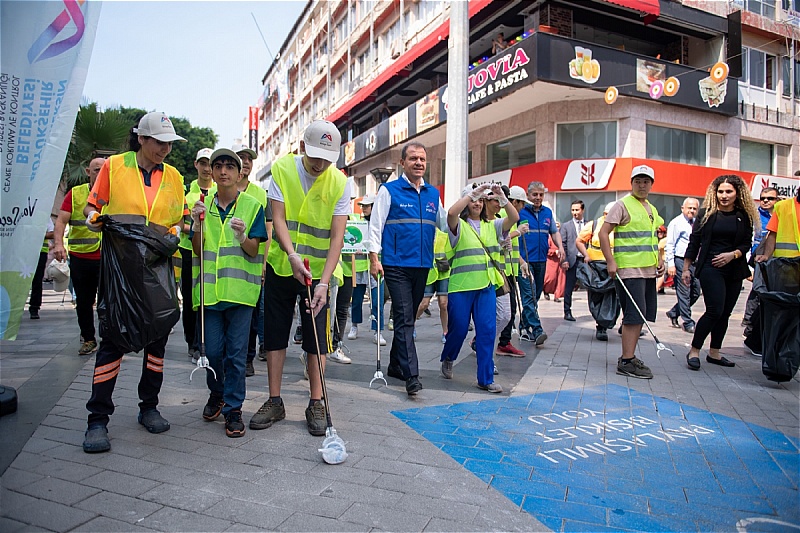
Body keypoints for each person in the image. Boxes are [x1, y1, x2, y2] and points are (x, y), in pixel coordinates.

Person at [81, 111, 188, 453]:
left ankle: (149, 407)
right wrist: (95, 220)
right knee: (112, 342)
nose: (164, 149)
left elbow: (181, 219)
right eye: (159, 142)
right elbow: (91, 208)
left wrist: (178, 230)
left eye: (169, 144)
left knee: (156, 345)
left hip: (158, 273)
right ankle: (97, 420)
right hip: (120, 275)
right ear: (141, 139)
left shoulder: (173, 176)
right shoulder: (114, 167)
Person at [249, 120, 349, 435]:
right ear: (302, 146)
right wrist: (291, 255)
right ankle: (275, 400)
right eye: (315, 155)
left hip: (319, 272)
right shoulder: (282, 169)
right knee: (276, 334)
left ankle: (316, 402)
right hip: (282, 265)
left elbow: (337, 237)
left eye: (327, 158)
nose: (320, 164)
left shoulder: (340, 183)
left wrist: (323, 282)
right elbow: (276, 217)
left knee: (317, 339)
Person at [191, 149, 267, 437]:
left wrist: (242, 237)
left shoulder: (251, 206)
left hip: (240, 294)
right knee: (212, 352)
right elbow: (197, 250)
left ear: (239, 173)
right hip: (210, 295)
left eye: (229, 167)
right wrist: (197, 224)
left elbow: (253, 249)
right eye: (218, 166)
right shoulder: (202, 206)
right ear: (211, 171)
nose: (223, 172)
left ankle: (234, 408)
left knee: (236, 355)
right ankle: (218, 392)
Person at [368, 142, 447, 395]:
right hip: (396, 264)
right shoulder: (389, 190)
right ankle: (411, 375)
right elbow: (376, 225)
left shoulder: (433, 194)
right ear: (402, 163)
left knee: (408, 317)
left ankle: (394, 364)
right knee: (403, 316)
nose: (419, 163)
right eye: (413, 158)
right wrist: (373, 257)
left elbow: (445, 224)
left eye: (422, 159)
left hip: (422, 264)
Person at [440, 184, 518, 393]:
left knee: (487, 331)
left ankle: (485, 379)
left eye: (481, 200)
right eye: (474, 200)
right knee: (459, 329)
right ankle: (449, 356)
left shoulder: (493, 225)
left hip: (486, 286)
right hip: (462, 286)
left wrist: (502, 198)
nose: (477, 203)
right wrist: (470, 194)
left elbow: (514, 217)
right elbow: (451, 212)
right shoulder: (458, 225)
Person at [683, 175, 756, 370]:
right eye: (720, 191)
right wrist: (685, 269)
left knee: (725, 313)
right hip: (710, 267)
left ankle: (714, 352)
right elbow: (694, 241)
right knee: (715, 310)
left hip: (734, 268)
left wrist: (733, 255)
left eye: (728, 191)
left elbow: (746, 242)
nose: (724, 195)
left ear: (737, 193)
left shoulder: (744, 215)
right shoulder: (706, 214)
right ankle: (694, 350)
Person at [599, 165, 664, 379]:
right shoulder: (622, 205)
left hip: (647, 271)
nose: (642, 185)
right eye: (638, 181)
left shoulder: (650, 208)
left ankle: (630, 356)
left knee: (640, 315)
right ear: (632, 183)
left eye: (646, 181)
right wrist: (610, 262)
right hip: (629, 270)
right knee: (633, 316)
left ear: (651, 184)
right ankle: (626, 360)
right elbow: (603, 233)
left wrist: (660, 260)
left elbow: (653, 237)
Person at [53, 157, 105, 354]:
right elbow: (61, 222)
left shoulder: (113, 194)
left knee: (108, 301)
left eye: (103, 170)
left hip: (106, 258)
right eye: (96, 169)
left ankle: (108, 338)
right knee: (83, 301)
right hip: (81, 258)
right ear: (87, 171)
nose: (99, 173)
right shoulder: (75, 194)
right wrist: (59, 243)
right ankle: (89, 338)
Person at [234, 144, 269, 377]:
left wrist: (264, 263)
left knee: (253, 312)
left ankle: (247, 358)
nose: (246, 162)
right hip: (226, 264)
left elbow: (268, 230)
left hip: (253, 261)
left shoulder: (259, 194)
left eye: (249, 159)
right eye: (241, 158)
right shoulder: (221, 189)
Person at [179, 148, 215, 363]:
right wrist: (195, 228)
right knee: (192, 299)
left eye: (210, 164)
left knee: (208, 297)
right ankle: (192, 343)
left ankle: (207, 341)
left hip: (212, 251)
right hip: (189, 251)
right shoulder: (187, 194)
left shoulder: (221, 191)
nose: (207, 168)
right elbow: (179, 222)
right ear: (196, 165)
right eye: (203, 163)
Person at [517, 181, 564, 346]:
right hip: (524, 261)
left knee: (535, 296)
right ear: (528, 195)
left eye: (541, 195)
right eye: (534, 194)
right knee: (529, 296)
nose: (538, 198)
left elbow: (554, 232)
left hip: (541, 261)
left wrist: (561, 247)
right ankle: (537, 330)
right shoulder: (521, 212)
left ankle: (523, 327)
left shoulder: (548, 213)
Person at [576, 202, 618, 341]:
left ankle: (608, 325)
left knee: (613, 297)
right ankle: (600, 324)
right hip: (595, 265)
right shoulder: (594, 225)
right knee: (596, 296)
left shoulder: (620, 226)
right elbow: (580, 241)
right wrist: (586, 255)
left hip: (614, 265)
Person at [348, 195, 387, 346]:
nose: (364, 208)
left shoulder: (381, 224)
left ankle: (378, 330)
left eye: (367, 206)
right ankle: (354, 325)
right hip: (359, 267)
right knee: (356, 300)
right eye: (362, 206)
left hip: (376, 266)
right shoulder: (358, 223)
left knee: (377, 299)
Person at [496, 186, 529, 356]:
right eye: (521, 203)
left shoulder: (512, 218)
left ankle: (504, 341)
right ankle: (501, 341)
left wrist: (522, 262)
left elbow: (511, 248)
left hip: (510, 269)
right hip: (501, 270)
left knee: (511, 309)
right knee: (506, 310)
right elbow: (499, 239)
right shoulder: (503, 216)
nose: (522, 208)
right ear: (514, 201)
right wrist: (518, 232)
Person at [742, 187, 778, 334]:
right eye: (763, 198)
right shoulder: (754, 216)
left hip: (777, 261)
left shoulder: (781, 215)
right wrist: (747, 267)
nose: (765, 201)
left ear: (777, 200)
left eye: (770, 198)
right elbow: (747, 241)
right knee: (757, 291)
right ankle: (749, 323)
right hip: (758, 261)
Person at [665, 197, 700, 333]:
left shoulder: (698, 223)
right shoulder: (676, 223)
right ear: (683, 209)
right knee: (684, 291)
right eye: (689, 208)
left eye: (694, 208)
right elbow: (670, 244)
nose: (691, 210)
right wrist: (671, 264)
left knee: (696, 291)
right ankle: (687, 321)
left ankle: (674, 312)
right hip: (680, 260)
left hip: (695, 261)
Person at [417, 228, 450, 344]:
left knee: (444, 304)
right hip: (429, 274)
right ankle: (410, 325)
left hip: (443, 273)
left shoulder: (444, 234)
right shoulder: (422, 233)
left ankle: (446, 331)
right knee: (423, 304)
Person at [559, 200, 585, 321]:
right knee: (569, 287)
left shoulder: (589, 225)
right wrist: (564, 260)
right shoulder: (566, 226)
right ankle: (567, 311)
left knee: (592, 286)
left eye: (577, 210)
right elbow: (562, 244)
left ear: (582, 210)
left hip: (585, 260)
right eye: (573, 210)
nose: (575, 212)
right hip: (572, 260)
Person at [27, 221, 54, 320]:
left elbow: (52, 233)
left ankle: (34, 307)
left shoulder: (45, 215)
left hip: (40, 252)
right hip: (23, 251)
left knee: (37, 280)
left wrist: (37, 234)